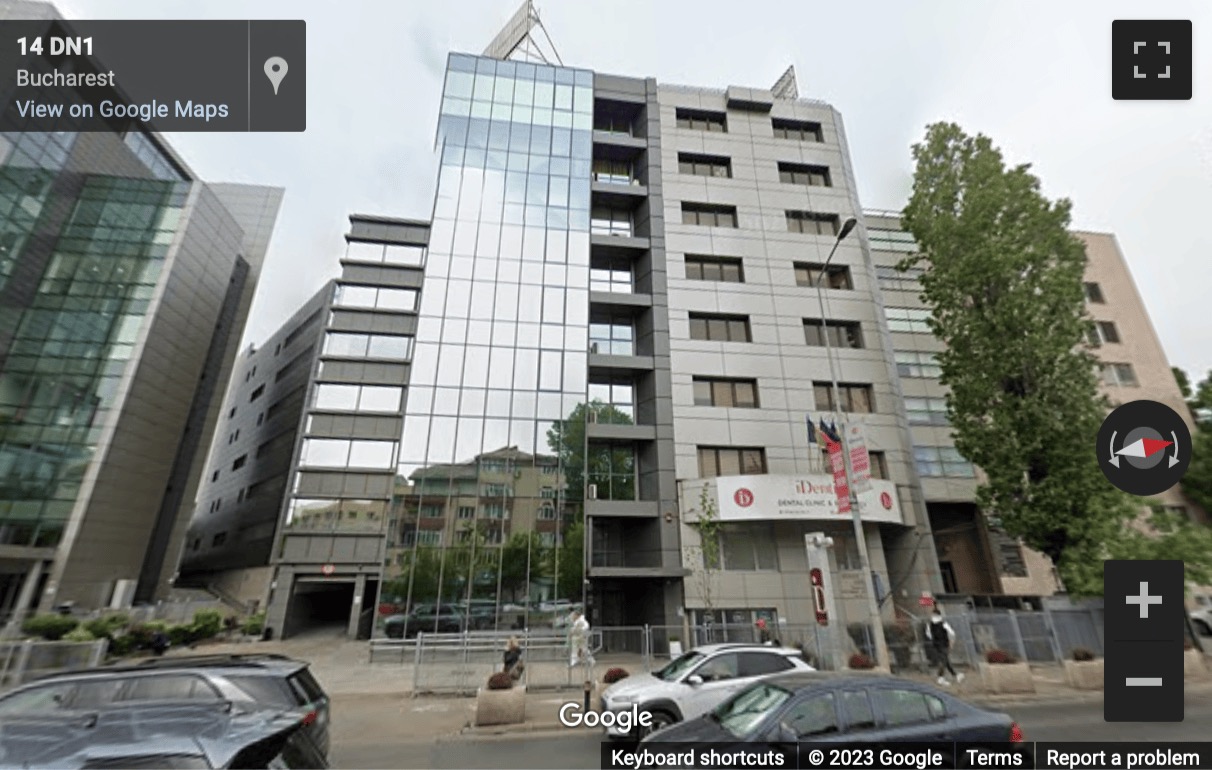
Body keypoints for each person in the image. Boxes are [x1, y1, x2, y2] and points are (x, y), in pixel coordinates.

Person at [924, 608, 964, 685]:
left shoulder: (930, 624)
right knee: (943, 660)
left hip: (936, 644)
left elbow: (928, 634)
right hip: (944, 644)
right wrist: (951, 642)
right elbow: (952, 633)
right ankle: (940, 677)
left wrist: (934, 639)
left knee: (945, 660)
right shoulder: (943, 623)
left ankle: (955, 675)